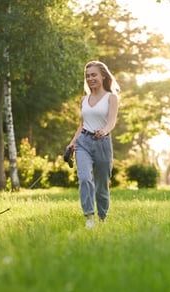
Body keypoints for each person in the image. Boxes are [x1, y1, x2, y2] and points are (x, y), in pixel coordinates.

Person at [67, 61, 120, 228]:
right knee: (84, 179)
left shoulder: (111, 98)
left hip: (102, 143)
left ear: (103, 76)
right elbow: (82, 125)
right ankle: (89, 217)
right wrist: (72, 143)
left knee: (102, 186)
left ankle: (102, 218)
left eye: (93, 75)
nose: (90, 78)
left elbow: (111, 121)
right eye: (87, 76)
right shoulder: (84, 99)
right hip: (83, 142)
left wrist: (104, 131)